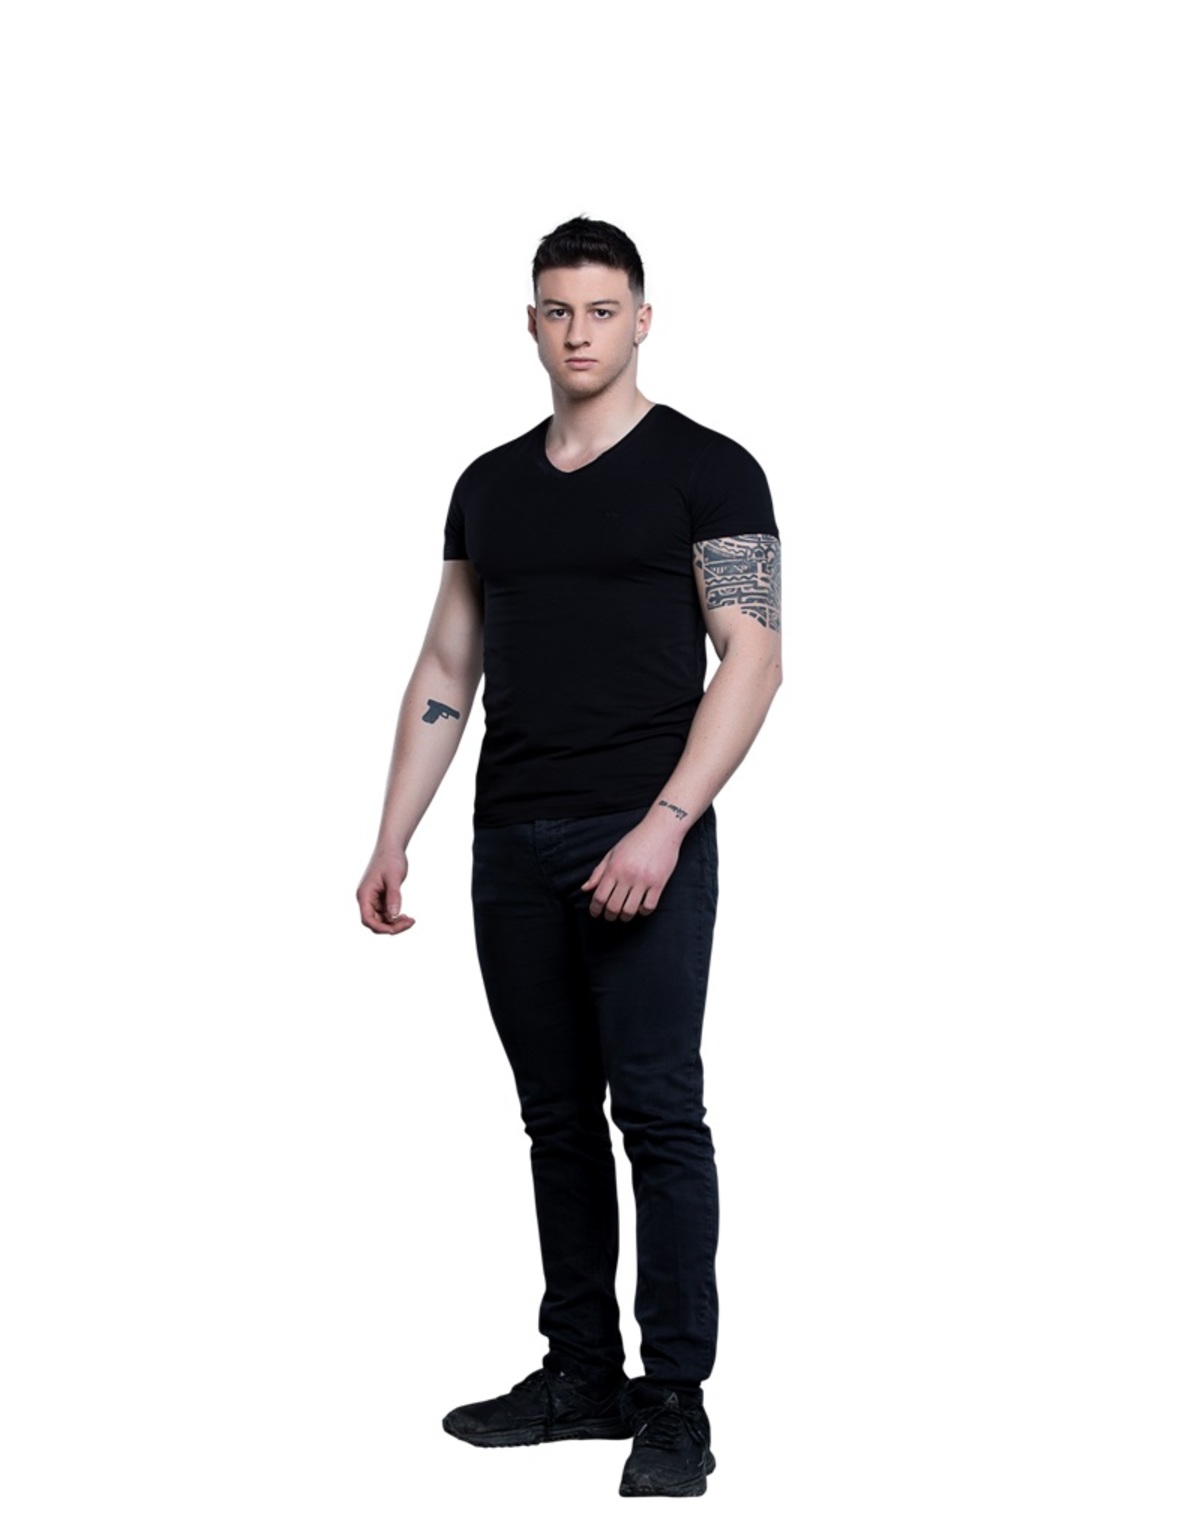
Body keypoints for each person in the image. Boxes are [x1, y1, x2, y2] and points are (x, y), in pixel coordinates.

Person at [356, 216, 781, 1498]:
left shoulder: (712, 469)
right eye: (558, 310)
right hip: (512, 841)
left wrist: (668, 822)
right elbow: (449, 663)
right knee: (554, 1120)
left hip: (643, 833)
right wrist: (393, 831)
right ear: (531, 324)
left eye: (602, 310)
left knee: (658, 1114)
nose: (579, 332)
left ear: (642, 320)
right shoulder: (487, 485)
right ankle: (583, 1375)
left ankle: (676, 1401)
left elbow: (754, 658)